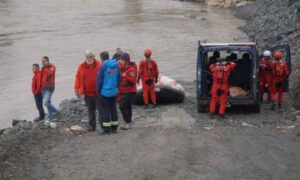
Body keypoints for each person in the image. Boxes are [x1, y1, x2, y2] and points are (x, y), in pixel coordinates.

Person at [75, 51, 102, 131]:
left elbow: (104, 77)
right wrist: (77, 89)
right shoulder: (81, 66)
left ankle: (103, 125)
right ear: (86, 57)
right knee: (90, 110)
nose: (89, 58)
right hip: (88, 93)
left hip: (98, 92)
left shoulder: (99, 65)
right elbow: (78, 78)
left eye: (91, 56)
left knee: (101, 109)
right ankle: (91, 126)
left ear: (94, 57)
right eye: (88, 57)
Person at [97, 51, 120, 135]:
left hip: (105, 93)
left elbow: (99, 81)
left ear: (102, 58)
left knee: (105, 110)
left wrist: (98, 91)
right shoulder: (116, 66)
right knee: (113, 109)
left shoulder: (103, 67)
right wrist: (116, 88)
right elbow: (119, 78)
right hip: (114, 92)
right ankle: (114, 128)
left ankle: (107, 129)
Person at [118, 52, 137, 130]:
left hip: (130, 91)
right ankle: (129, 122)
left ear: (126, 61)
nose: (120, 61)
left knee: (122, 106)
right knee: (128, 106)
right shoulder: (121, 69)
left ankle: (127, 121)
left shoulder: (131, 69)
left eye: (122, 60)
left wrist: (124, 76)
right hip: (123, 90)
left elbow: (132, 80)